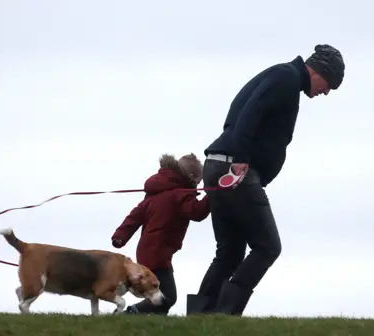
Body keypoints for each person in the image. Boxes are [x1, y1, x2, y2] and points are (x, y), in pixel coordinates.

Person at [186, 44, 346, 316]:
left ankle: (201, 314)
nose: (326, 92)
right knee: (267, 247)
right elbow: (250, 112)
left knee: (230, 252)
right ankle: (225, 313)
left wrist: (236, 151)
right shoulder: (286, 78)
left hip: (219, 164)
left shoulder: (282, 77)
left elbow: (237, 112)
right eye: (328, 84)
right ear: (318, 71)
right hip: (235, 169)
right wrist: (241, 159)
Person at [111, 153, 211, 315]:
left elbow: (135, 216)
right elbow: (196, 212)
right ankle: (131, 313)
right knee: (168, 297)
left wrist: (120, 236)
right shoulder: (180, 194)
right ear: (191, 178)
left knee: (161, 299)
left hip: (148, 250)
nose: (198, 186)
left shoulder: (155, 194)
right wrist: (213, 196)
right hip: (158, 252)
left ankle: (154, 322)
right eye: (198, 182)